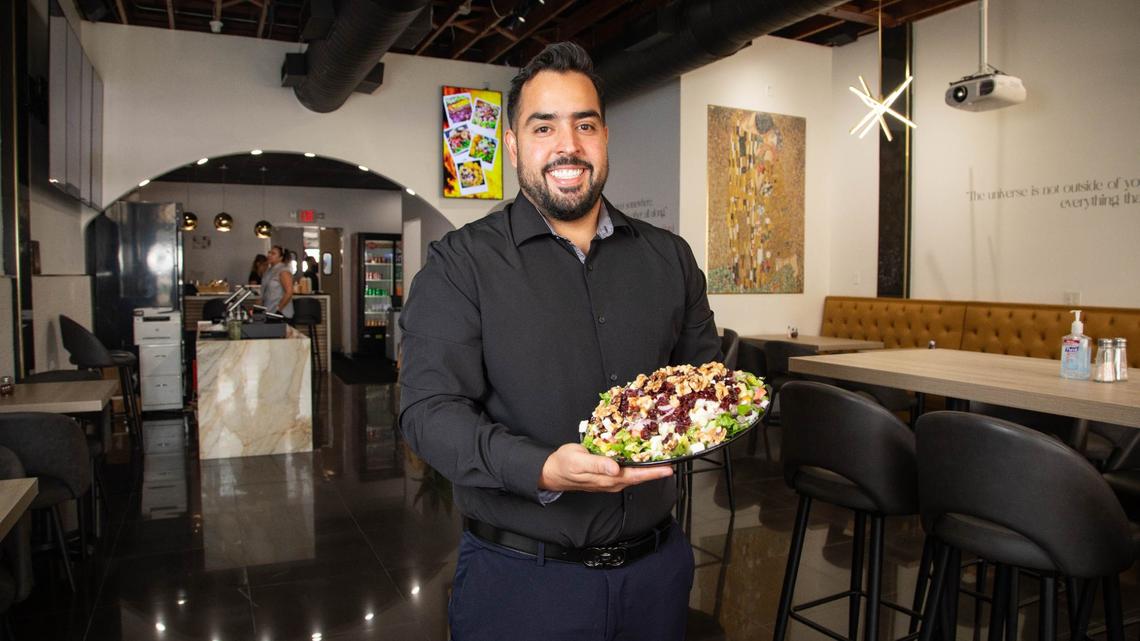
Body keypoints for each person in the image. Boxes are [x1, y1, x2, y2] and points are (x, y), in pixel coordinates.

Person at [399, 42, 720, 641]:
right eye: (543, 126)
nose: (567, 145)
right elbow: (427, 413)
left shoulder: (669, 258)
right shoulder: (459, 265)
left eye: (585, 124)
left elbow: (703, 382)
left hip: (657, 575)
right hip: (521, 585)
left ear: (604, 138)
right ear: (514, 145)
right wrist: (542, 468)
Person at [261, 245, 294, 319]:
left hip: (280, 313)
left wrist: (278, 309)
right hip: (269, 311)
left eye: (273, 254)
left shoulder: (283, 271)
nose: (269, 255)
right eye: (269, 253)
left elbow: (289, 292)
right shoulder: (268, 271)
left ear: (280, 257)